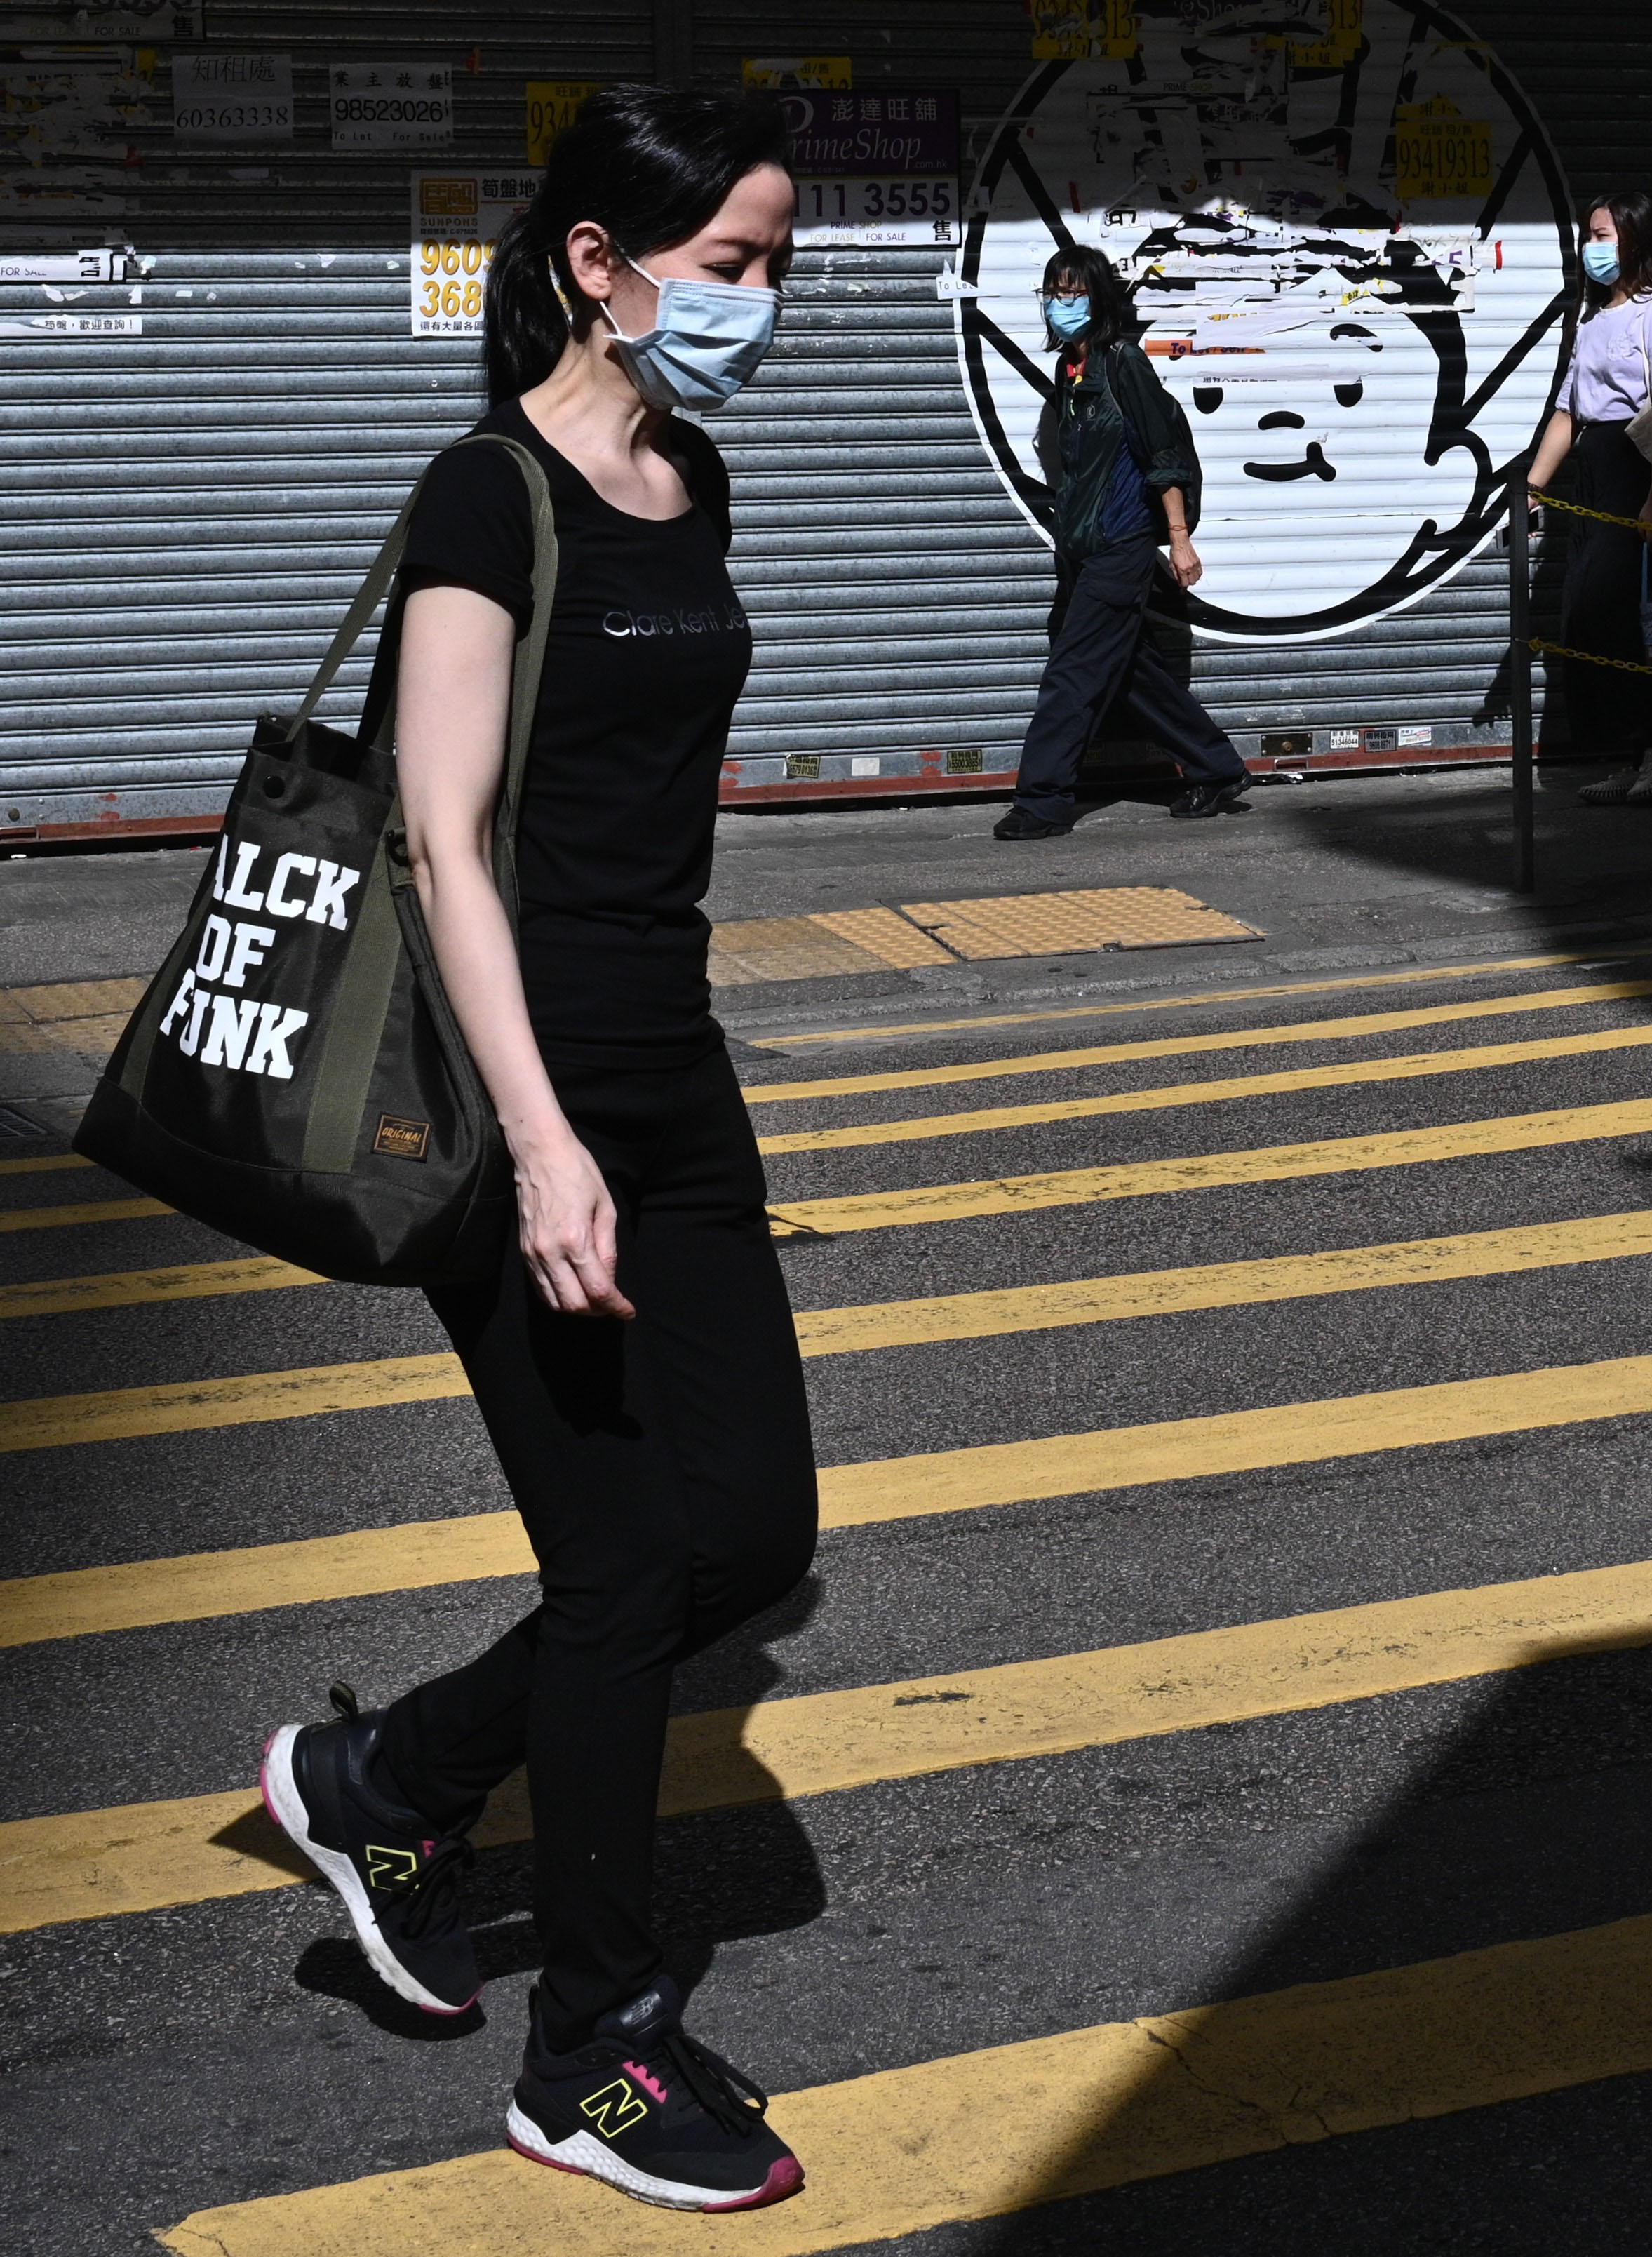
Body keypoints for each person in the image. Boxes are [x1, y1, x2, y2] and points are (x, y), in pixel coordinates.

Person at [253, 85, 814, 2216]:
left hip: (675, 1074)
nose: (761, 301)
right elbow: (443, 839)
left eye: (777, 264)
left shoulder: (696, 483)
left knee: (746, 1534)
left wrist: (639, 1095)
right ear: (603, 260)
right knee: (620, 1567)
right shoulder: (484, 495)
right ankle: (589, 2051)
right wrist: (551, 1144)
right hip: (512, 1103)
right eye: (733, 262)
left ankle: (388, 1776)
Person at [995, 243, 1251, 839]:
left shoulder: (1123, 362)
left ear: (1100, 297)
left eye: (1074, 291)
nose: (1062, 302)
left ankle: (1044, 800)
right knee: (1131, 672)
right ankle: (1217, 768)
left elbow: (1161, 454)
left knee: (1072, 674)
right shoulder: (1070, 369)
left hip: (1122, 544)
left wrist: (1179, 541)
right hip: (1083, 549)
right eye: (1054, 292)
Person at [1524, 191, 1652, 808]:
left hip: (1637, 472)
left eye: (1602, 235)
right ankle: (1634, 750)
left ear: (1635, 241)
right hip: (1595, 479)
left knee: (1645, 618)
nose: (1591, 247)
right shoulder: (1591, 321)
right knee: (1594, 621)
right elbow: (1569, 409)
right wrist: (1533, 485)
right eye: (1588, 235)